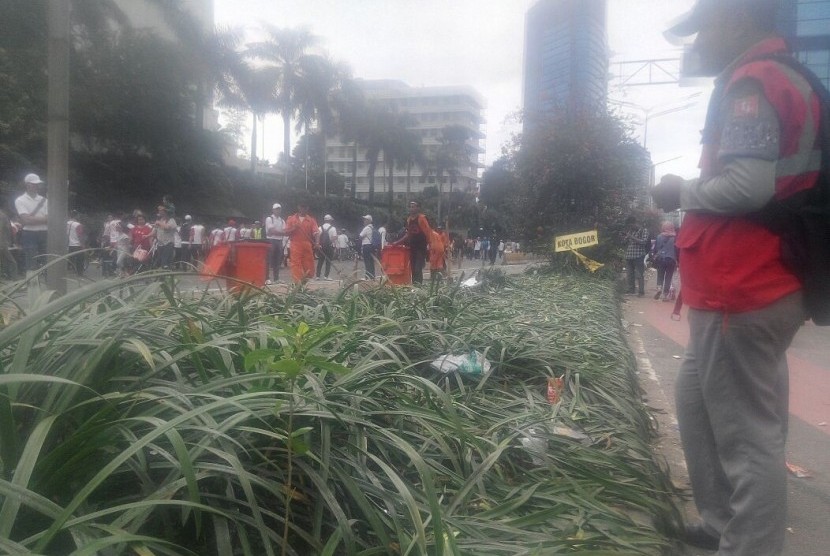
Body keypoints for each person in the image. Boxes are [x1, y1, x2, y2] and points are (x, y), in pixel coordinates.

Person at [652, 1, 823, 554]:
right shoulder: (770, 77)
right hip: (740, 286)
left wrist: (681, 192)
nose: (699, 40)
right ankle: (723, 522)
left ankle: (746, 545)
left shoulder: (754, 82)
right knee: (698, 404)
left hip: (745, 286)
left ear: (740, 20)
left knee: (748, 440)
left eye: (706, 26)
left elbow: (748, 187)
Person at [391, 201, 433, 284]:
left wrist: (429, 245)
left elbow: (428, 232)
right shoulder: (409, 219)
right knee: (413, 269)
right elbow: (408, 234)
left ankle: (419, 286)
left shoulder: (421, 218)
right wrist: (397, 242)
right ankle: (415, 286)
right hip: (412, 247)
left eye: (413, 206)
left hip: (421, 247)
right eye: (410, 207)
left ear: (418, 208)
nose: (411, 208)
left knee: (418, 268)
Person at [14, 173, 48, 273]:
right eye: (34, 184)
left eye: (38, 184)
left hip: (44, 232)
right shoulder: (20, 200)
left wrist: (31, 219)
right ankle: (32, 286)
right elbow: (25, 220)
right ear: (28, 185)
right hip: (29, 233)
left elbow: (50, 218)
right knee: (30, 262)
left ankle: (49, 285)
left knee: (48, 261)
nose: (37, 186)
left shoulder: (44, 200)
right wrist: (43, 219)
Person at [284, 202, 319, 283]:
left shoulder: (311, 220)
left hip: (307, 243)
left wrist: (317, 243)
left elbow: (316, 232)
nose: (303, 209)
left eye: (305, 207)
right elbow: (286, 232)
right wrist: (294, 228)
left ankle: (308, 278)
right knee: (296, 263)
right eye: (302, 207)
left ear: (307, 208)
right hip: (295, 244)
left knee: (309, 261)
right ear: (298, 207)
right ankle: (298, 281)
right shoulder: (291, 219)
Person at [623, 216, 649, 297]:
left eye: (631, 225)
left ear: (635, 223)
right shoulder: (631, 231)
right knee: (629, 274)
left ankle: (641, 292)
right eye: (629, 226)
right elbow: (625, 243)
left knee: (639, 274)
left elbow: (643, 242)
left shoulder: (644, 231)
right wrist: (625, 238)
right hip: (629, 256)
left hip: (639, 255)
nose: (630, 227)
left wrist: (631, 237)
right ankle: (631, 290)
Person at [652, 221, 677, 301]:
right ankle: (665, 295)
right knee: (668, 277)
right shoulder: (675, 237)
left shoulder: (659, 237)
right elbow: (678, 249)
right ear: (672, 227)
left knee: (660, 275)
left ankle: (659, 288)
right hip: (671, 259)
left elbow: (655, 249)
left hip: (661, 259)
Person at [265, 203, 286, 282]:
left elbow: (284, 231)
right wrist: (281, 233)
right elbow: (271, 231)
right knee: (269, 260)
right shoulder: (269, 219)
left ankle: (276, 278)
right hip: (271, 240)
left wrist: (276, 232)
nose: (278, 210)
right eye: (276, 209)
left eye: (279, 209)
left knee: (277, 260)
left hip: (279, 241)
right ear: (273, 210)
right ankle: (266, 278)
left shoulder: (282, 220)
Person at [316, 214, 337, 280]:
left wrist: (318, 244)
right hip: (329, 247)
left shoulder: (319, 228)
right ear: (330, 220)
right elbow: (334, 237)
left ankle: (317, 276)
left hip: (321, 247)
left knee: (320, 261)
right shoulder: (333, 228)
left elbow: (317, 237)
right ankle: (326, 276)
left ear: (324, 220)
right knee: (328, 262)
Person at [0, 208, 19, 280]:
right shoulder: (3, 216)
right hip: (3, 242)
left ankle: (14, 278)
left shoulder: (2, 216)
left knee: (10, 261)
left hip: (2, 242)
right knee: (5, 260)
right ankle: (8, 277)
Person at [66, 210, 85, 276]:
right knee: (80, 260)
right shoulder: (78, 225)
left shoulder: (66, 223)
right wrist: (83, 245)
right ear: (76, 216)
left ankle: (70, 270)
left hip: (69, 245)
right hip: (77, 245)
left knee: (70, 259)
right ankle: (80, 273)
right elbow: (80, 236)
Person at [359, 215, 375, 279]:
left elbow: (360, 236)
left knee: (367, 262)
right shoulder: (372, 227)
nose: (364, 221)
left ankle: (367, 277)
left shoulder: (366, 228)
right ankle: (372, 276)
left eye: (365, 219)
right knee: (371, 262)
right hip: (371, 246)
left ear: (368, 221)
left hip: (366, 246)